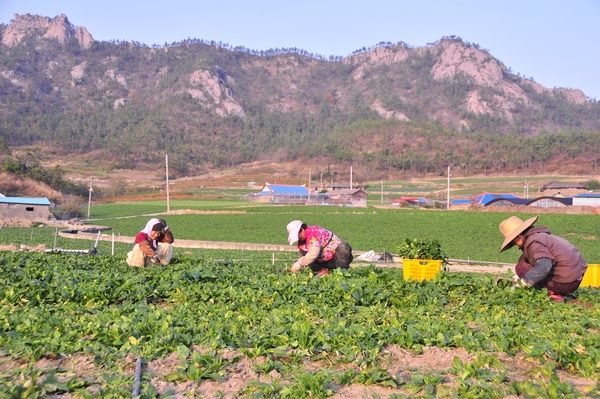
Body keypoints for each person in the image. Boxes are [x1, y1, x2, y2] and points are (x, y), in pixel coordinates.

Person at [499, 215, 587, 302]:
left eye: (513, 241)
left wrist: (523, 282)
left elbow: (544, 266)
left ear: (519, 235)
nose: (514, 244)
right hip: (575, 278)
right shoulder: (541, 236)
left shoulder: (533, 243)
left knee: (521, 267)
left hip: (565, 283)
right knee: (525, 259)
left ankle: (553, 295)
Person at [286, 220, 353, 277]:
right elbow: (306, 258)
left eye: (298, 236)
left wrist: (299, 263)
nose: (298, 238)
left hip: (336, 258)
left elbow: (314, 253)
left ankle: (342, 274)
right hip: (323, 261)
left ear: (302, 229)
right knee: (305, 255)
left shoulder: (314, 232)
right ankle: (323, 272)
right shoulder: (302, 243)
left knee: (344, 247)